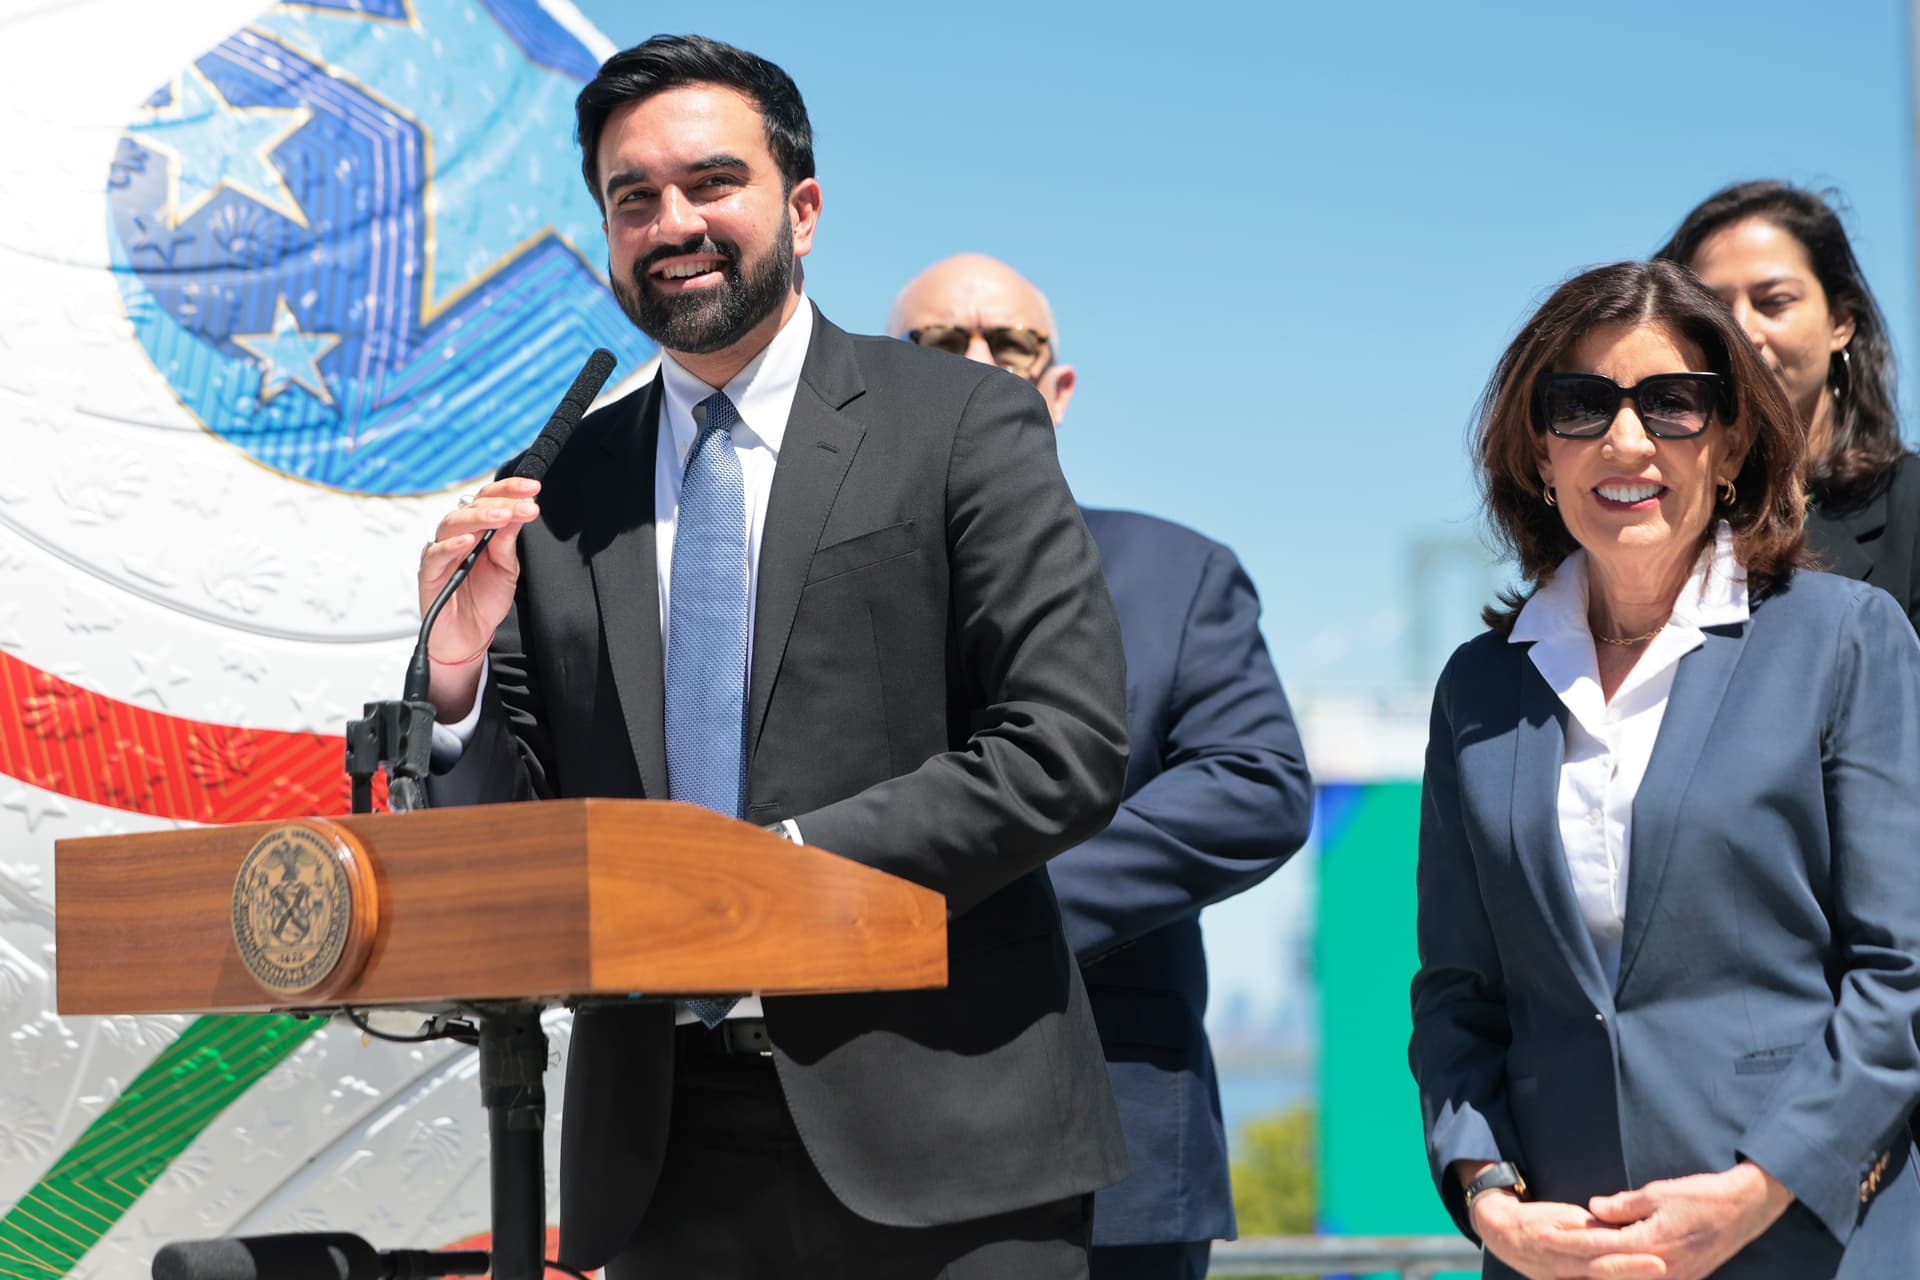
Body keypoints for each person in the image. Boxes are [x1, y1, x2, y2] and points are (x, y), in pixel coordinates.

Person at [418, 36, 1133, 1280]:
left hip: (952, 1144)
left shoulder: (961, 424)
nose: (671, 222)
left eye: (710, 183)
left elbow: (1061, 749)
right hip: (663, 1154)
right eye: (631, 199)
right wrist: (457, 676)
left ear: (802, 206)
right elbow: (512, 836)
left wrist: (770, 877)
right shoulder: (564, 483)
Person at [1409, 259, 1920, 1279]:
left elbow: (1899, 971)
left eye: (1674, 403)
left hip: (1805, 1236)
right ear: (1539, 452)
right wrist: (1489, 1195)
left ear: (1729, 443)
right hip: (1559, 1253)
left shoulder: (1848, 638)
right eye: (1582, 404)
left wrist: (1761, 1184)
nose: (1627, 439)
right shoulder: (1478, 685)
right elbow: (1460, 993)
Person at [889, 254, 1315, 1280]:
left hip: (1115, 1150)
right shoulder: (824, 588)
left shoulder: (1176, 573)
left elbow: (1256, 784)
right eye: (941, 345)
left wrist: (994, 906)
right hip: (866, 1147)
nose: (980, 362)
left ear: (1058, 388)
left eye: (1011, 343)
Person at [1657, 181, 1920, 630]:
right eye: (1714, 310)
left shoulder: (1909, 507)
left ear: (1840, 321)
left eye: (1773, 302)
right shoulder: (1646, 507)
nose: (1742, 331)